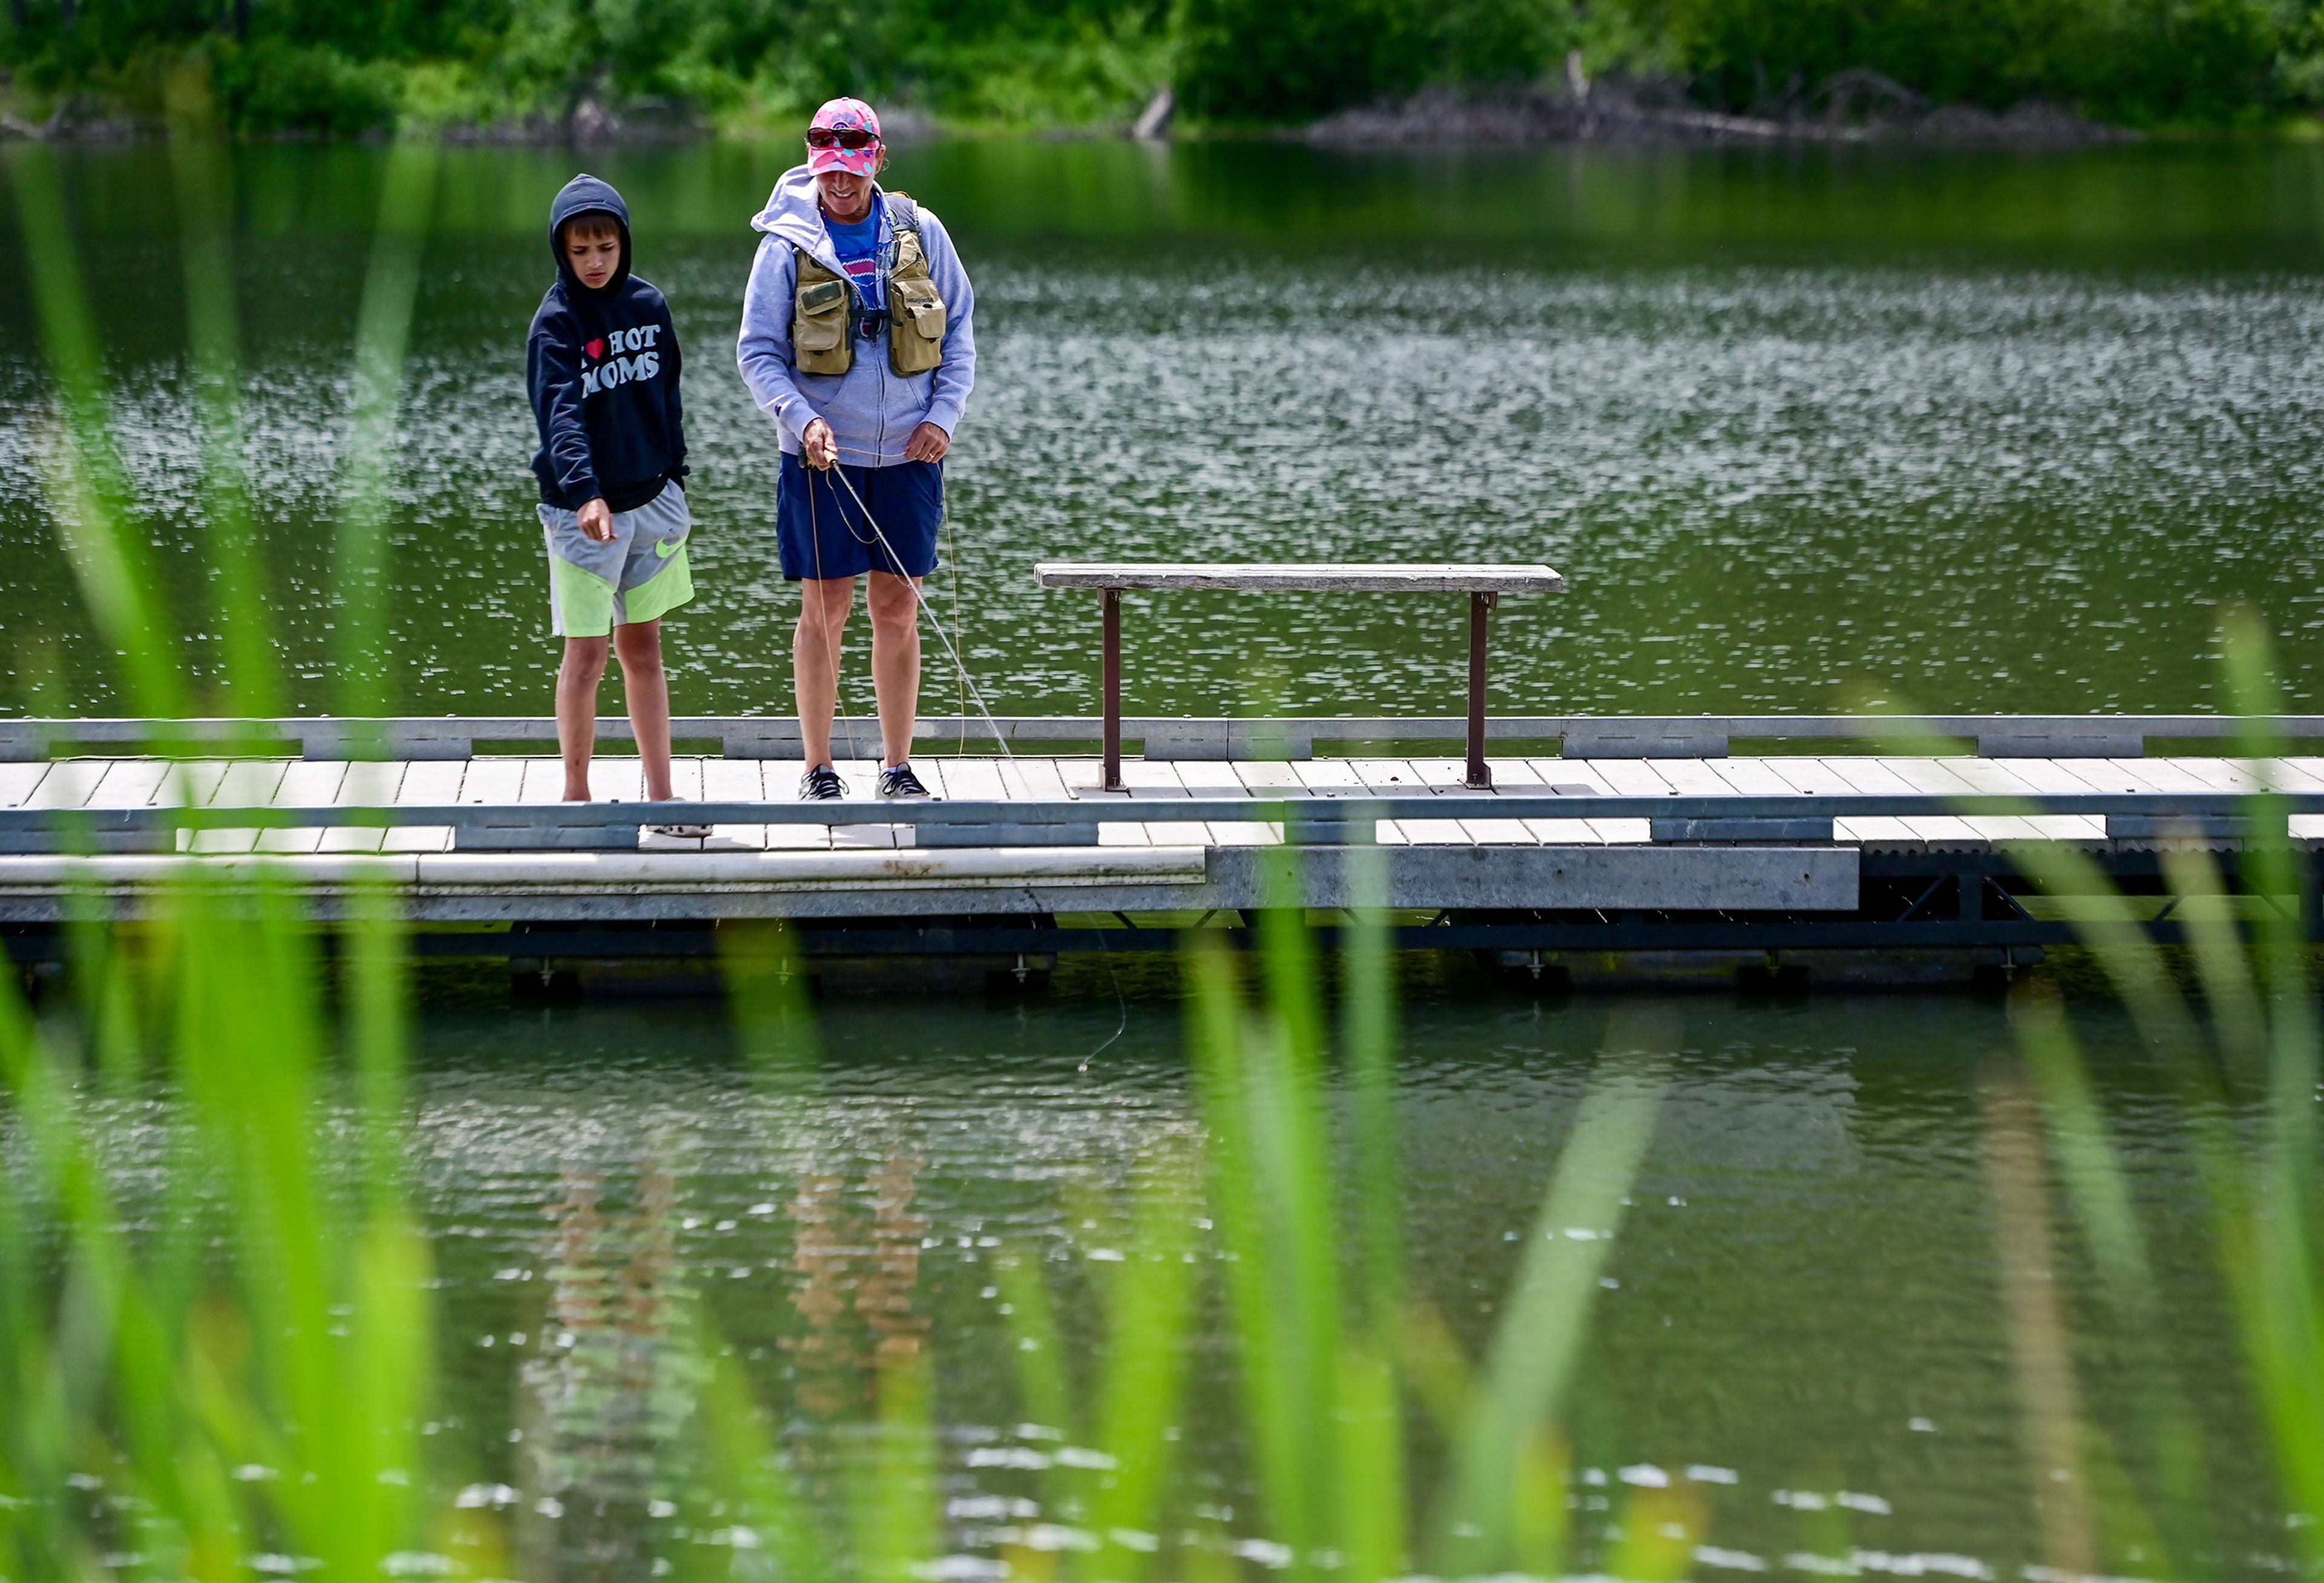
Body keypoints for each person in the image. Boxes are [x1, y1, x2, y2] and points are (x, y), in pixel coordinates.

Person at [737, 98, 977, 801]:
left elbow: (958, 332)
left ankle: (897, 767)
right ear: (815, 164)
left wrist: (945, 416)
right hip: (820, 457)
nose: (840, 182)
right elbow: (757, 353)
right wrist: (800, 420)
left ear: (876, 160)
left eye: (854, 165)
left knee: (898, 608)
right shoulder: (785, 245)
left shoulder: (920, 230)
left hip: (911, 453)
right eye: (828, 168)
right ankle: (819, 768)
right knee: (825, 608)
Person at [527, 173, 702, 832]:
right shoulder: (556, 323)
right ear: (563, 253)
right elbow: (561, 417)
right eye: (581, 250)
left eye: (606, 246)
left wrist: (677, 477)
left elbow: (668, 398)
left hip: (654, 501)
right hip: (583, 515)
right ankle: (576, 795)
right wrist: (586, 494)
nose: (595, 261)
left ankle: (663, 798)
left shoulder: (650, 307)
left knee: (645, 647)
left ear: (623, 243)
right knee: (587, 653)